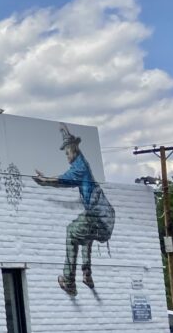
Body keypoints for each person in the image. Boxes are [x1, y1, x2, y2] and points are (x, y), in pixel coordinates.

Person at [33, 124, 114, 296]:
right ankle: (87, 274)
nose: (66, 156)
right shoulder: (82, 161)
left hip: (98, 217)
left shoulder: (79, 169)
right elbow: (75, 147)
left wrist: (44, 181)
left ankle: (69, 281)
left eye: (67, 152)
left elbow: (62, 180)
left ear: (73, 151)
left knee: (71, 232)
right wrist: (66, 133)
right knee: (84, 232)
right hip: (106, 218)